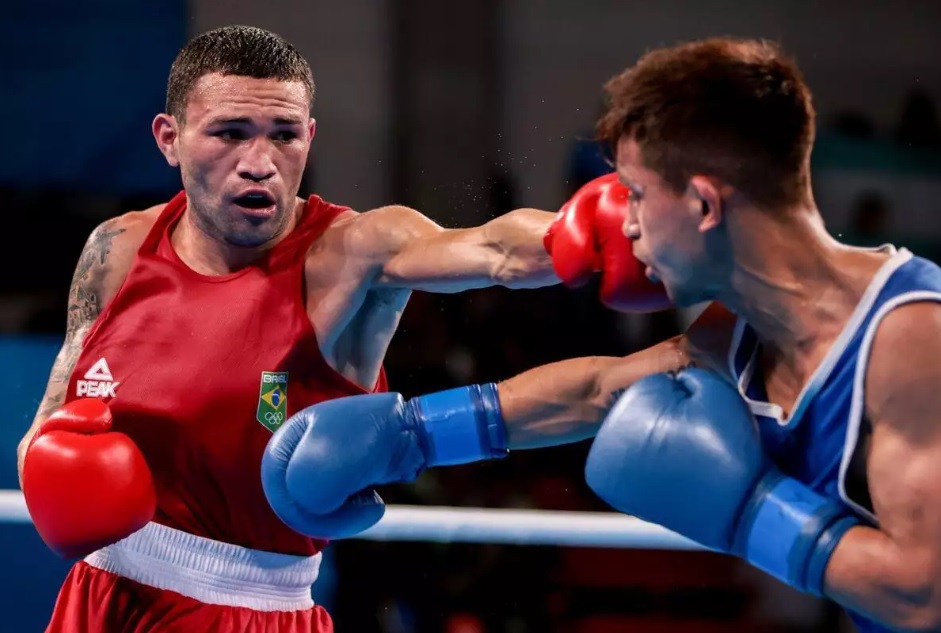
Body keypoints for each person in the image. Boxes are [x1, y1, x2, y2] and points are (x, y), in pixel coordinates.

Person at [270, 38, 941, 632]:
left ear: (704, 204)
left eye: (638, 194)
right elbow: (599, 390)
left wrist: (750, 511)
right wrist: (412, 434)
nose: (623, 224)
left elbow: (920, 595)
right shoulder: (739, 328)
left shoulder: (910, 337)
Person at [14, 25, 647, 633]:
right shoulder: (118, 246)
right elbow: (49, 416)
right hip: (97, 599)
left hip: (252, 613)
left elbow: (493, 251)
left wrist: (599, 230)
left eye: (283, 135)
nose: (258, 163)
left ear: (309, 138)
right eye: (229, 133)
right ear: (169, 138)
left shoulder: (352, 252)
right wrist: (50, 467)